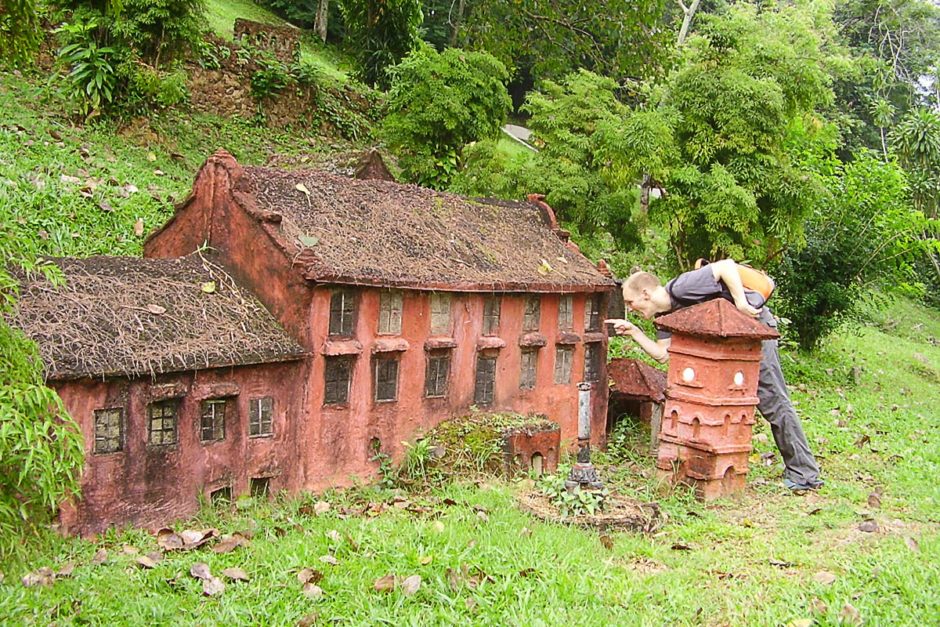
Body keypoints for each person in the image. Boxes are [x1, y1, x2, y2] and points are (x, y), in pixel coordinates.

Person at [606, 259, 824, 492]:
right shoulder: (666, 316)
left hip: (754, 331)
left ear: (646, 293)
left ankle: (805, 473)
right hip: (729, 347)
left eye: (631, 302)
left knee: (773, 401)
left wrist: (740, 303)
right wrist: (635, 333)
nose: (631, 309)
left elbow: (725, 267)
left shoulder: (681, 287)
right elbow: (663, 354)